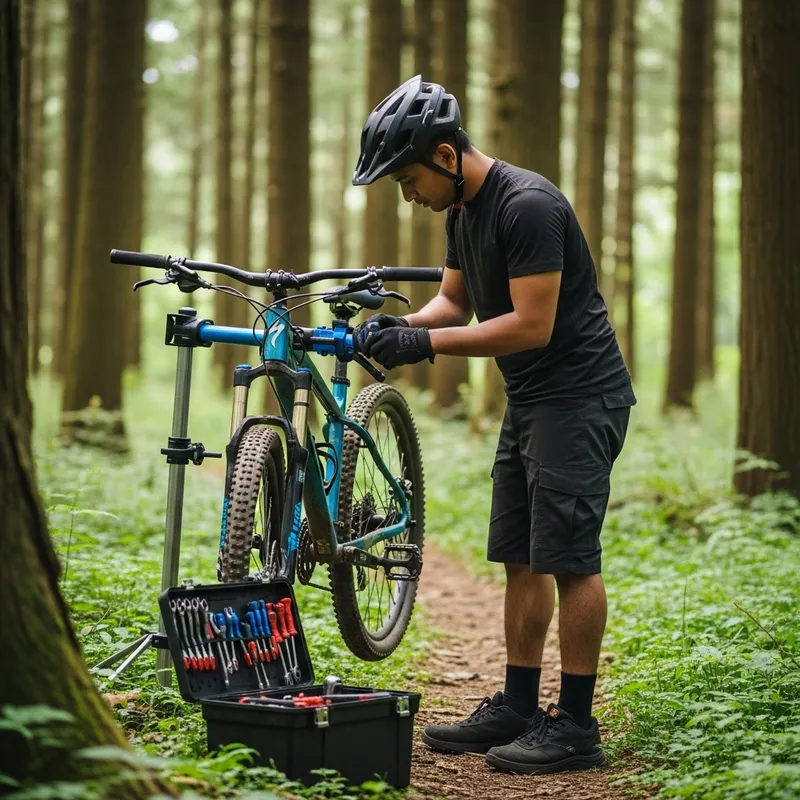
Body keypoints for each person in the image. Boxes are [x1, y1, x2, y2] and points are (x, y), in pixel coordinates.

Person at [352, 75, 636, 775]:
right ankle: (516, 704)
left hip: (579, 397)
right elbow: (453, 303)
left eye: (410, 178)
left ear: (447, 155)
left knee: (569, 559)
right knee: (519, 555)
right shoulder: (462, 211)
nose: (408, 195)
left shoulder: (528, 205)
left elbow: (531, 325)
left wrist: (425, 345)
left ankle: (574, 724)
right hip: (532, 401)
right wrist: (401, 327)